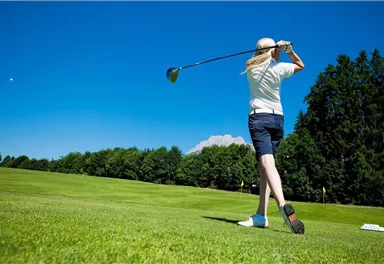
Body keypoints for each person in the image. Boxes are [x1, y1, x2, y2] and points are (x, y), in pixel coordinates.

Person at [237, 38, 305, 234]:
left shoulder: (251, 68)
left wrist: (272, 49)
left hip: (259, 118)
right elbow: (300, 65)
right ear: (273, 51)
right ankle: (261, 216)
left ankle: (283, 206)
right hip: (278, 120)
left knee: (267, 163)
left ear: (258, 51)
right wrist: (288, 50)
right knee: (265, 166)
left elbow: (263, 58)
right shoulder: (280, 67)